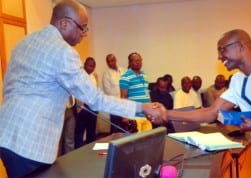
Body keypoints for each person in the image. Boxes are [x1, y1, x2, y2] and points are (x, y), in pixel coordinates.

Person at [0, 1, 166, 177]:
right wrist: (141, 107)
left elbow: (9, 86)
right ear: (64, 23)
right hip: (30, 141)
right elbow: (96, 100)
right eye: (82, 28)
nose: (84, 34)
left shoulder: (25, 42)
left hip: (6, 132)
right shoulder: (62, 51)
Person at [166, 29, 251, 178]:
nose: (219, 56)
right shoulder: (238, 80)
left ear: (241, 47)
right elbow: (211, 112)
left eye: (222, 49)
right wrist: (166, 113)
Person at [119, 52, 153, 132]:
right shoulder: (125, 77)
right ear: (130, 63)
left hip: (146, 116)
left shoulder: (144, 74)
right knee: (138, 143)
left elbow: (146, 93)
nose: (139, 62)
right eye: (136, 61)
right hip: (134, 117)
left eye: (140, 60)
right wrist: (125, 116)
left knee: (149, 141)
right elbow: (123, 97)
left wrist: (151, 110)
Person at [74, 57, 99, 148]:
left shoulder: (94, 76)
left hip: (93, 108)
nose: (90, 68)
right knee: (79, 134)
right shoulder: (80, 76)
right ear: (85, 65)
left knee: (91, 133)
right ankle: (78, 154)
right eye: (89, 65)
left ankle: (90, 152)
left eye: (93, 66)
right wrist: (80, 107)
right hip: (83, 108)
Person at [102, 53, 126, 133]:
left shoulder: (123, 70)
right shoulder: (106, 74)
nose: (110, 63)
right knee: (115, 129)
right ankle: (114, 145)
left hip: (126, 103)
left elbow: (127, 84)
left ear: (115, 60)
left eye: (112, 61)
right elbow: (108, 91)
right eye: (108, 62)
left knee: (125, 127)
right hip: (114, 105)